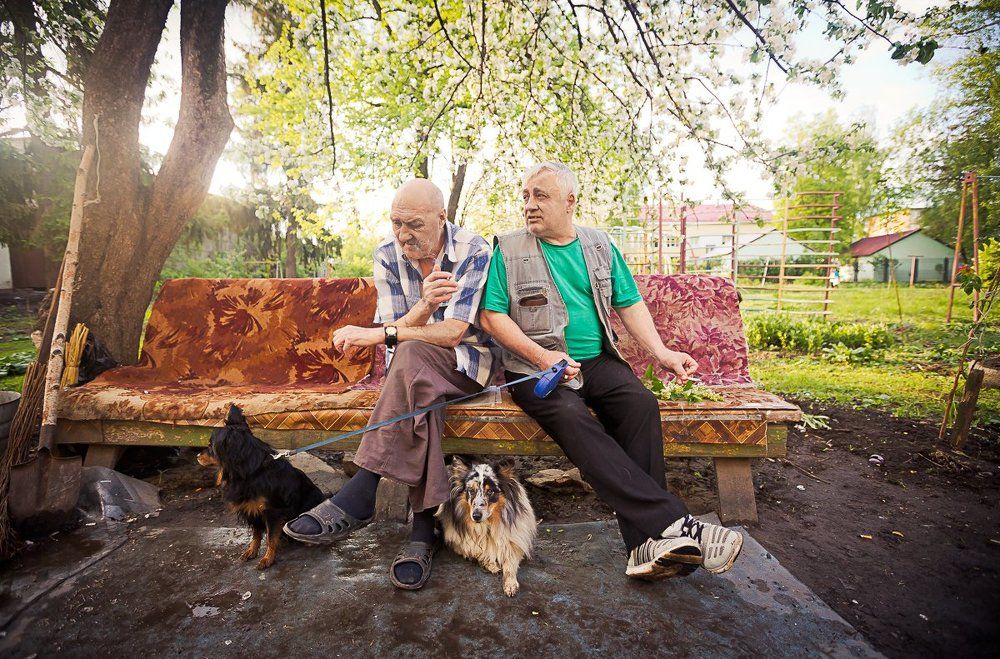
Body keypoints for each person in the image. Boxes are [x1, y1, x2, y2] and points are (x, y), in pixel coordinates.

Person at [479, 162, 744, 580]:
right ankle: (673, 524)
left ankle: (643, 548)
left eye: (540, 196)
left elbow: (629, 302)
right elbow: (492, 316)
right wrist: (544, 357)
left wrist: (662, 353)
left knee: (639, 404)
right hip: (535, 368)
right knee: (571, 415)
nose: (529, 205)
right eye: (526, 196)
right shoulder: (508, 250)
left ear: (570, 201)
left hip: (596, 360)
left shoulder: (599, 245)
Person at [283, 178, 493, 590]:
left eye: (414, 224)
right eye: (396, 222)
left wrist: (383, 334)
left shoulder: (474, 250)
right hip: (412, 374)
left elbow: (453, 332)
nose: (403, 234)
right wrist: (424, 305)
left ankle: (363, 490)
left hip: (468, 366)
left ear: (441, 217)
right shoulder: (387, 253)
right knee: (418, 384)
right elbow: (399, 331)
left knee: (413, 361)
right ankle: (423, 531)